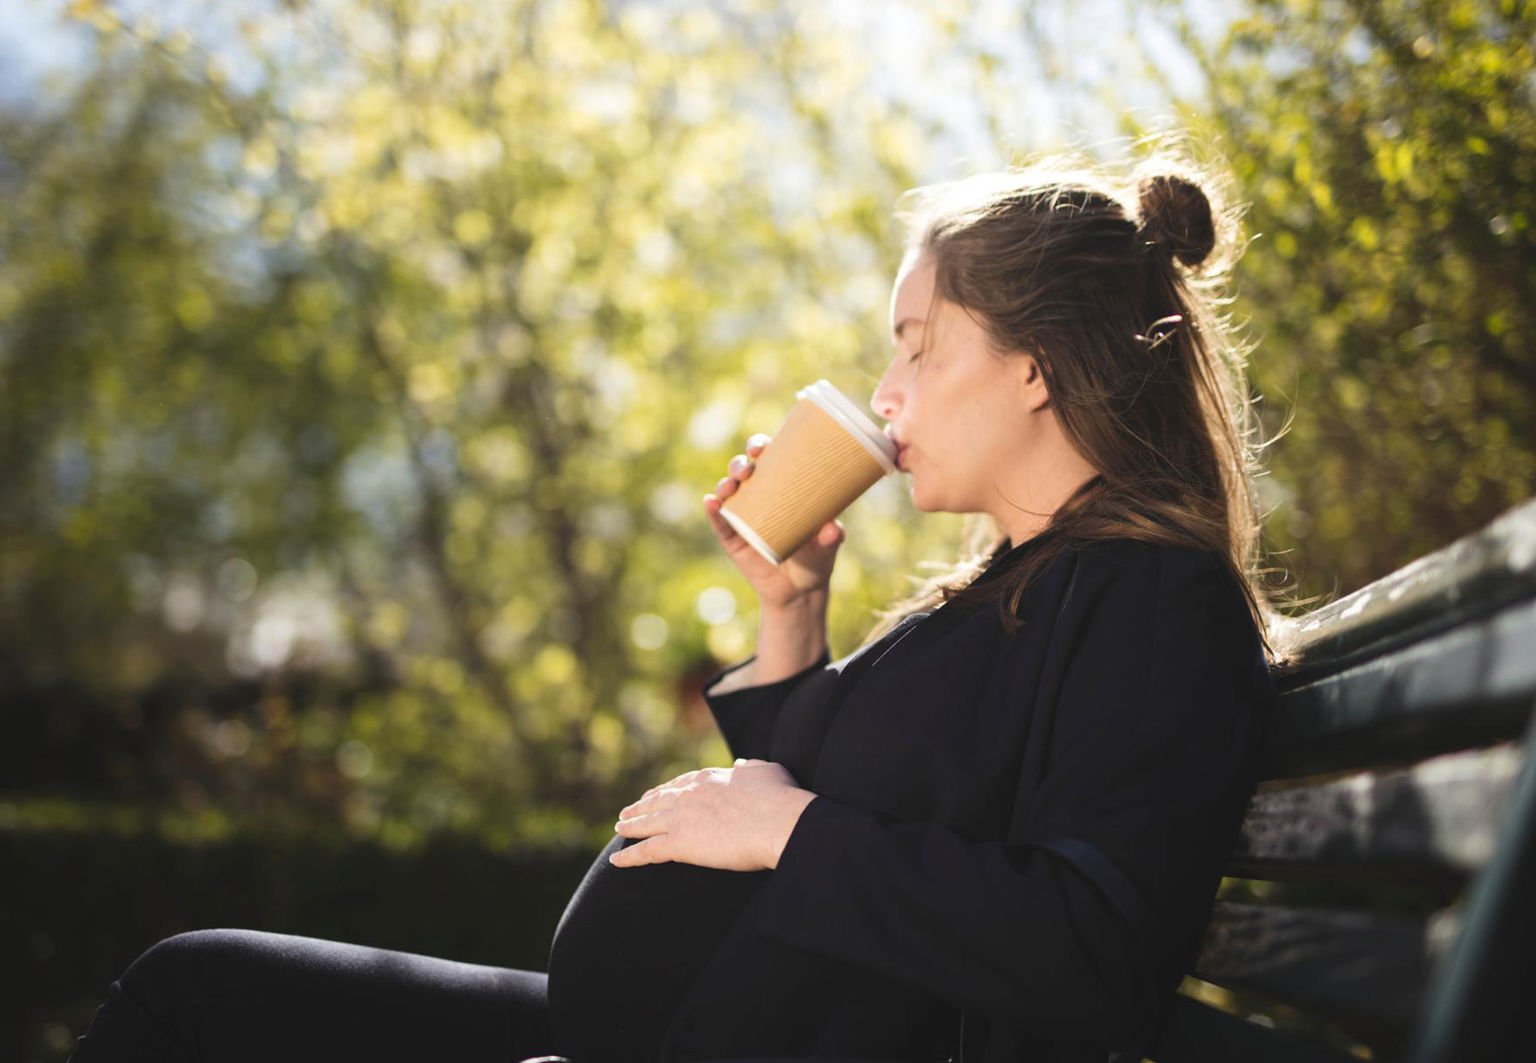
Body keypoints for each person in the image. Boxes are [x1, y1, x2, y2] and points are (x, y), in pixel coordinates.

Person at [70, 153, 1277, 1063]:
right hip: (676, 1029)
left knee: (197, 1003)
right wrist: (790, 618)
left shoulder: (1151, 602)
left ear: (1035, 364)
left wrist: (784, 830)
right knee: (203, 984)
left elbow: (1091, 955)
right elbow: (868, 799)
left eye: (916, 347)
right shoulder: (1012, 587)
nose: (885, 389)